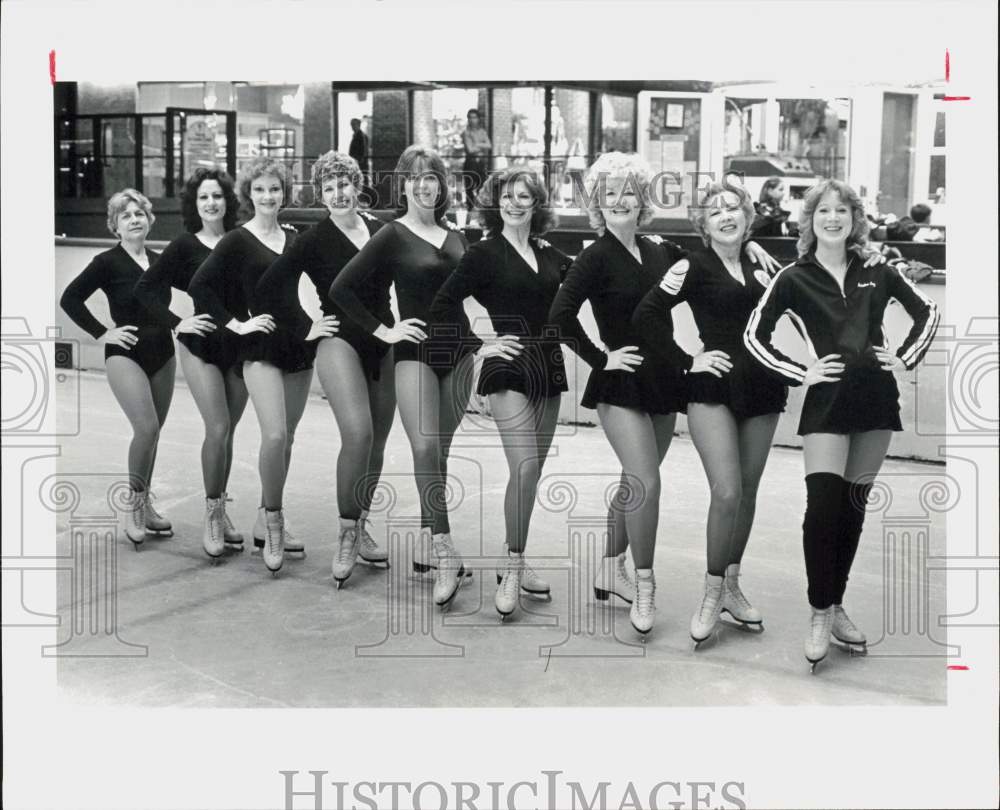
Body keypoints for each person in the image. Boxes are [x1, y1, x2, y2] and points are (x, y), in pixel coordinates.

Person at [547, 154, 779, 638]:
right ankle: (644, 582)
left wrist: (752, 248)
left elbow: (712, 258)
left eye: (628, 193)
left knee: (632, 485)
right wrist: (600, 356)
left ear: (642, 199)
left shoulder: (660, 250)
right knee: (647, 482)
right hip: (620, 382)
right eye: (609, 196)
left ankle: (609, 566)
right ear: (596, 204)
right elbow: (561, 315)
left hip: (663, 381)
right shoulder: (593, 256)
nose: (619, 202)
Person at [743, 179, 939, 672]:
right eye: (823, 210)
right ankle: (818, 610)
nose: (833, 218)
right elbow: (755, 335)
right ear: (809, 220)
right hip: (827, 403)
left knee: (852, 511)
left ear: (855, 219)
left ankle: (836, 606)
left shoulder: (877, 268)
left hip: (875, 401)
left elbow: (927, 313)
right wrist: (800, 371)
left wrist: (904, 357)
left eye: (842, 211)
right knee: (823, 508)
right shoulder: (792, 276)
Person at [633, 179, 790, 646]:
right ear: (702, 223)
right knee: (725, 491)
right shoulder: (690, 265)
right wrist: (687, 359)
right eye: (715, 210)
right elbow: (647, 314)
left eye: (734, 208)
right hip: (710, 385)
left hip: (763, 384)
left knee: (747, 490)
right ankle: (711, 591)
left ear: (747, 216)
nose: (726, 215)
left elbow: (802, 301)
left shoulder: (764, 266)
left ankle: (731, 586)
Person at [330, 145, 475, 609]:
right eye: (413, 177)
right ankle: (444, 550)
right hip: (412, 353)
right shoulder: (391, 234)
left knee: (441, 454)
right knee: (424, 446)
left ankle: (437, 538)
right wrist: (384, 329)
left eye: (430, 176)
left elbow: (483, 291)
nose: (423, 184)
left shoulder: (457, 237)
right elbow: (342, 289)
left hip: (461, 354)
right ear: (404, 185)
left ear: (441, 184)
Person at [429, 168, 573, 619]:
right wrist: (481, 344)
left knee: (530, 476)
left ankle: (517, 552)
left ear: (537, 204)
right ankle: (511, 568)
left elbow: (599, 273)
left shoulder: (550, 255)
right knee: (525, 467)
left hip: (548, 366)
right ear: (496, 203)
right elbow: (442, 304)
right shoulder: (484, 254)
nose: (514, 203)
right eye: (507, 196)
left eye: (524, 196)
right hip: (505, 366)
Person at [256, 151, 391, 588]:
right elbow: (268, 287)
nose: (338, 194)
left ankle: (362, 519)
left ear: (358, 185)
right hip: (338, 340)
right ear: (321, 194)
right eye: (328, 187)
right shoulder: (312, 240)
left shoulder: (382, 230)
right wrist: (306, 324)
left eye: (344, 184)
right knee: (359, 434)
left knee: (378, 443)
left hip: (384, 339)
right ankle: (347, 532)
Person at [189, 156, 316, 576]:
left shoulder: (297, 237)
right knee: (275, 434)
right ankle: (276, 522)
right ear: (249, 195)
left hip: (299, 343)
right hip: (258, 346)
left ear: (284, 193)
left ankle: (265, 516)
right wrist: (236, 323)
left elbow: (333, 277)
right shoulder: (238, 240)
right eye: (260, 190)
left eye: (275, 189)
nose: (268, 196)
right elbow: (201, 285)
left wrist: (320, 320)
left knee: (291, 436)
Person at [133, 168, 248, 561]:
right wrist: (178, 321)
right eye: (203, 197)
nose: (211, 203)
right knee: (217, 427)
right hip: (199, 343)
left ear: (227, 201)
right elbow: (147, 289)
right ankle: (212, 515)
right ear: (193, 205)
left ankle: (222, 505)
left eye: (216, 196)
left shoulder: (241, 240)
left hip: (239, 342)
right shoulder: (184, 246)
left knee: (229, 431)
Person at [60, 189, 175, 549]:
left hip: (163, 353)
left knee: (154, 434)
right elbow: (70, 298)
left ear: (149, 218)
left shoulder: (162, 261)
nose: (135, 220)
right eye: (126, 216)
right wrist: (102, 331)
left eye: (139, 213)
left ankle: (145, 503)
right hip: (124, 352)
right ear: (115, 226)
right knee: (146, 427)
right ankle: (135, 507)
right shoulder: (106, 262)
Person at [462, 109, 492, 211]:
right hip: (470, 163)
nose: (472, 120)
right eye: (470, 117)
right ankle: (470, 209)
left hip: (481, 163)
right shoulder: (466, 133)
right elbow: (470, 150)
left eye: (474, 117)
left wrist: (476, 143)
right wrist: (481, 145)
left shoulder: (482, 132)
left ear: (478, 119)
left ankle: (481, 209)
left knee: (482, 186)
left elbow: (489, 145)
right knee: (469, 188)